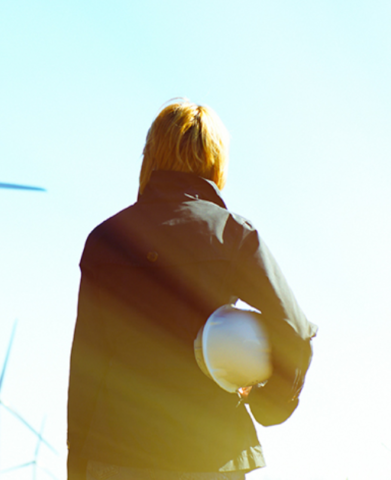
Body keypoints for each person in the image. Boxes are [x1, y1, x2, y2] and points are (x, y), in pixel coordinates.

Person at [66, 99, 318, 480]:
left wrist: (77, 468)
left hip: (114, 456)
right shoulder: (233, 234)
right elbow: (295, 331)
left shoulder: (105, 240)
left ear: (151, 155)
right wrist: (270, 404)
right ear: (215, 159)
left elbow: (86, 364)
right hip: (209, 456)